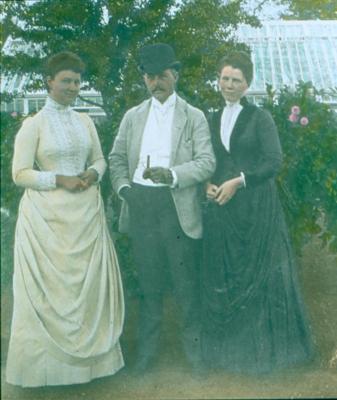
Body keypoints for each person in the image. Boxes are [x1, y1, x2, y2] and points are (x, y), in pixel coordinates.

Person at [6, 51, 124, 387]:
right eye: (66, 81)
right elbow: (20, 173)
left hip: (85, 213)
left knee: (84, 293)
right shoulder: (34, 124)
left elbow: (100, 159)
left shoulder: (85, 121)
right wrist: (59, 179)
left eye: (77, 81)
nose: (73, 87)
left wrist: (91, 173)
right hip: (47, 219)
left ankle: (92, 370)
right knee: (53, 292)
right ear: (49, 81)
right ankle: (46, 374)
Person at [201, 51, 313, 374]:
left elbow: (274, 162)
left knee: (258, 279)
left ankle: (264, 359)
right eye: (225, 78)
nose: (230, 85)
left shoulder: (260, 118)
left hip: (256, 209)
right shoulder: (212, 117)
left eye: (236, 80)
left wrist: (239, 181)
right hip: (224, 208)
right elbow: (211, 160)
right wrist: (208, 183)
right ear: (218, 81)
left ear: (247, 84)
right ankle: (230, 358)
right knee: (229, 277)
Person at [109, 43, 215, 372]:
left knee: (185, 283)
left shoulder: (193, 117)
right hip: (141, 204)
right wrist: (126, 190)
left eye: (163, 76)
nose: (157, 82)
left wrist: (173, 175)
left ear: (176, 75)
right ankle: (147, 354)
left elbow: (207, 162)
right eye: (151, 77)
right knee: (149, 282)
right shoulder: (133, 117)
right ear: (144, 79)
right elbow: (115, 160)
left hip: (176, 206)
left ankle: (195, 356)